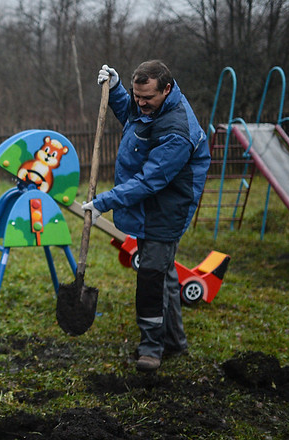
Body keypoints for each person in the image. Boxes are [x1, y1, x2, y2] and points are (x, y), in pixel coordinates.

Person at [83, 61, 210, 372]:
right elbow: (132, 113)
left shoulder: (178, 131)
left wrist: (105, 201)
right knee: (164, 271)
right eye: (136, 95)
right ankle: (175, 342)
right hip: (150, 199)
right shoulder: (153, 105)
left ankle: (152, 348)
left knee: (152, 272)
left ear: (167, 89)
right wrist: (114, 90)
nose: (140, 103)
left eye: (147, 98)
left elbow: (151, 180)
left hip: (170, 205)